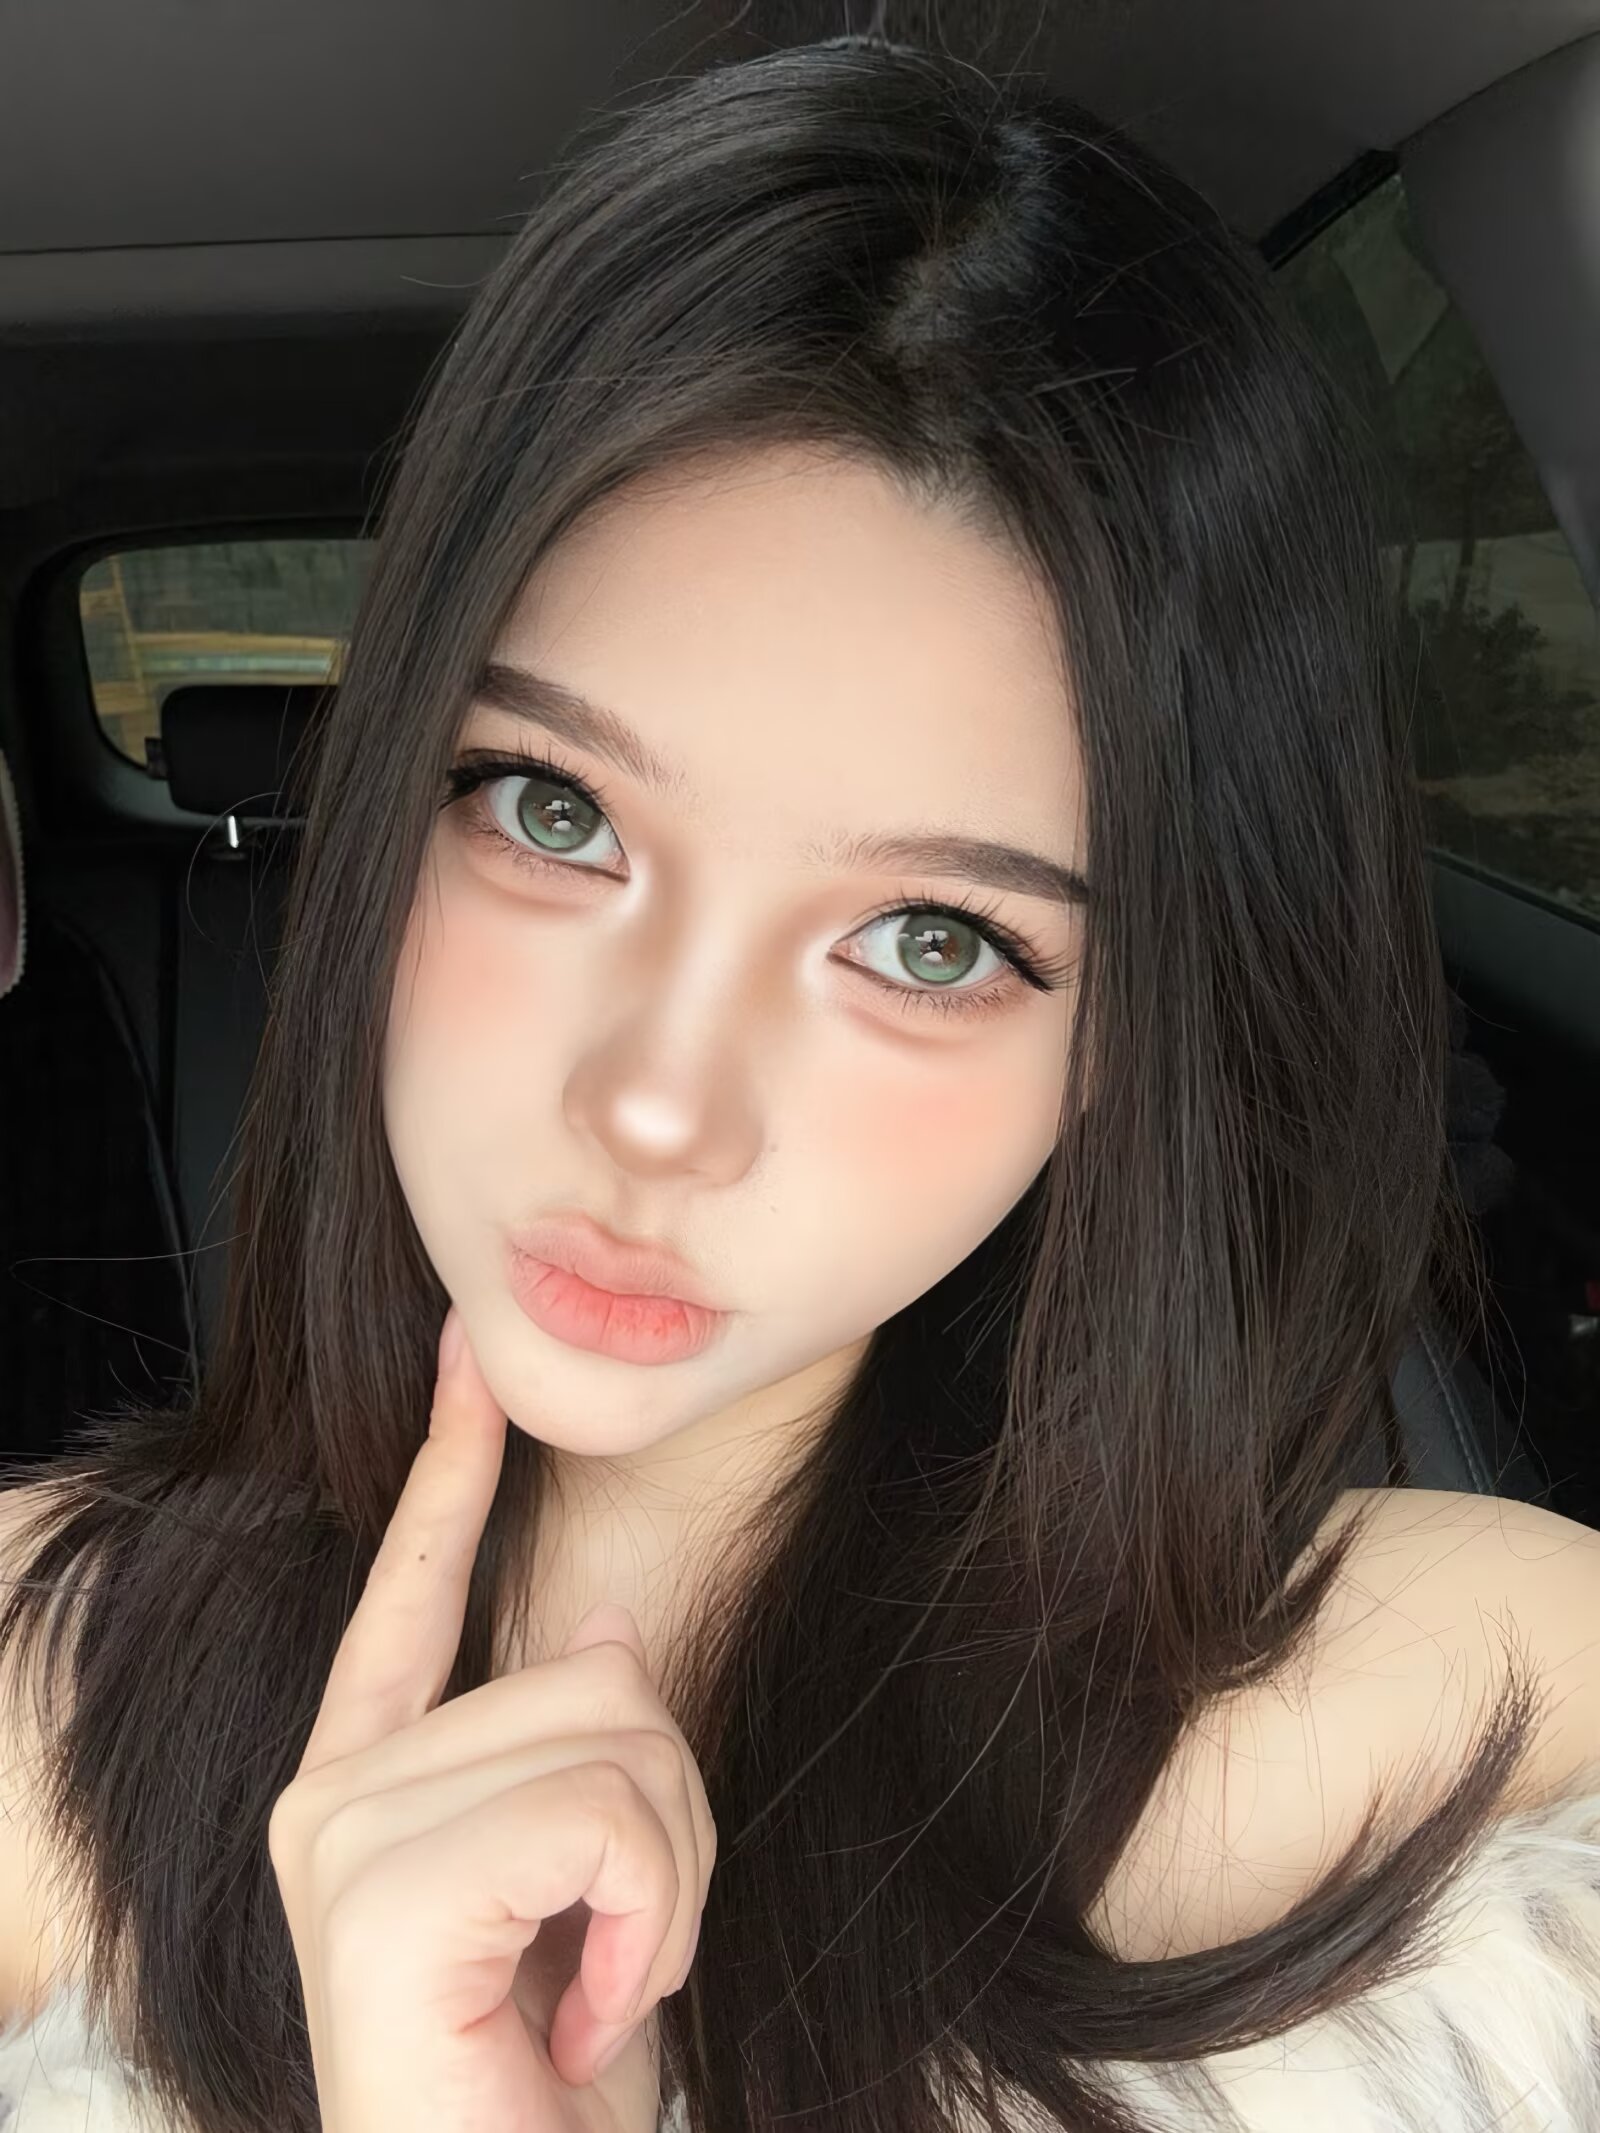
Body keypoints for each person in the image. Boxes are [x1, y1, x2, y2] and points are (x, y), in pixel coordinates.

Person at [3, 31, 1600, 2133]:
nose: (660, 1108)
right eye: (552, 810)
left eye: (931, 939)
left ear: (1118, 1044)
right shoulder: (32, 1699)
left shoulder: (1474, 1690)